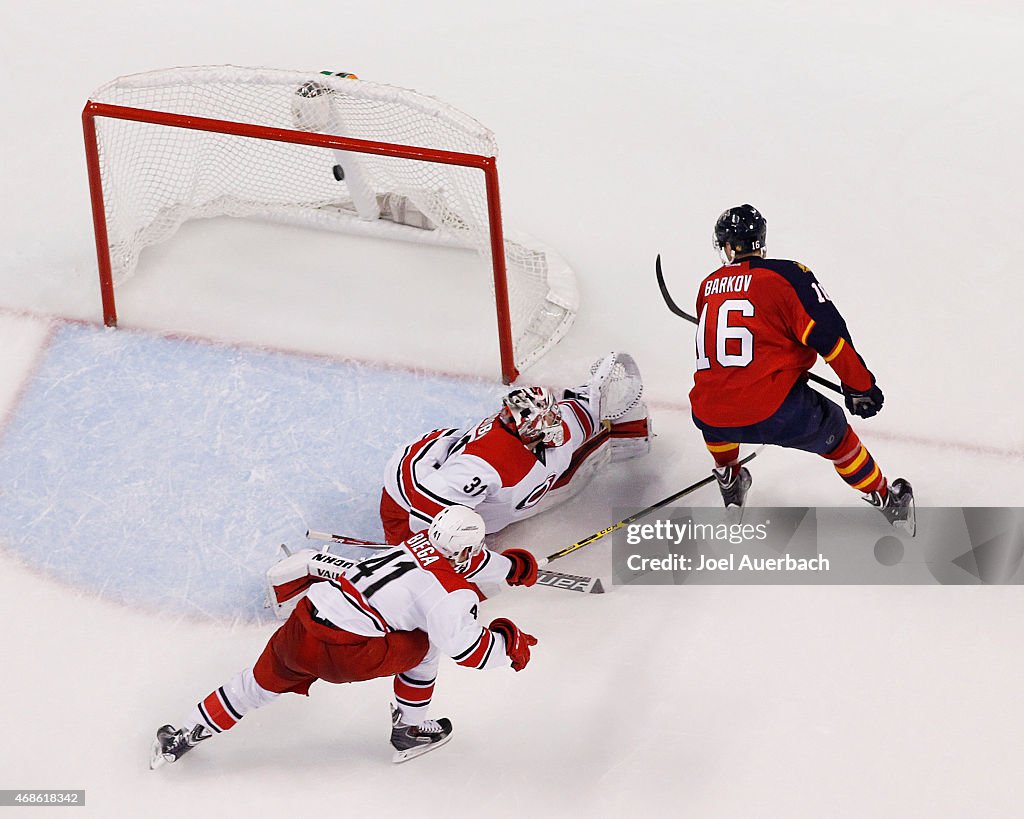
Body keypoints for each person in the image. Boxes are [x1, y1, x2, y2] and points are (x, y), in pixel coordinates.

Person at [150, 506, 539, 769]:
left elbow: (459, 560)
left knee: (255, 684)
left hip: (303, 626)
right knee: (426, 646)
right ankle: (409, 730)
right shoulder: (451, 592)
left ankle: (184, 734)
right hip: (348, 653)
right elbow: (470, 650)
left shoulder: (415, 543)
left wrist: (510, 567)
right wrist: (509, 640)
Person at [688, 204, 914, 530]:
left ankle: (729, 476)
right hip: (777, 411)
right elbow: (829, 337)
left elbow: (732, 356)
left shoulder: (707, 286)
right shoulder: (789, 276)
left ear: (726, 246)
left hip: (710, 418)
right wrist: (859, 386)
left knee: (718, 405)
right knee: (837, 435)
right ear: (760, 242)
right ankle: (889, 503)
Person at [380, 352, 652, 546]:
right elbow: (427, 511)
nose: (555, 426)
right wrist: (464, 556)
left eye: (552, 417)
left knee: (571, 457)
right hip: (407, 503)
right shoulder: (488, 463)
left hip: (457, 472)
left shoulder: (556, 422)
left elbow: (594, 399)